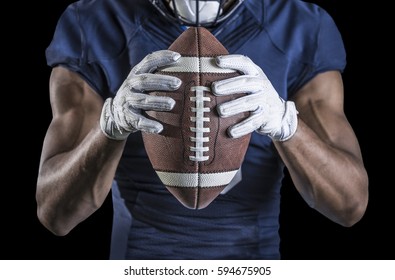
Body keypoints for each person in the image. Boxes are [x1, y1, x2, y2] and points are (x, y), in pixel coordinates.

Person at [36, 0, 369, 259]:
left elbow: (349, 205)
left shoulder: (299, 25)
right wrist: (110, 126)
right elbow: (55, 213)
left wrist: (285, 123)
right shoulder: (95, 22)